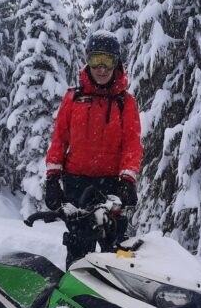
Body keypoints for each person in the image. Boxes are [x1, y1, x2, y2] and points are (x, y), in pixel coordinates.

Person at [45, 30, 142, 267]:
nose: (101, 68)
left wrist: (127, 179)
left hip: (111, 185)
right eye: (96, 59)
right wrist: (52, 178)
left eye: (107, 60)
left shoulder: (124, 102)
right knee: (79, 250)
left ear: (116, 62)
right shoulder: (73, 98)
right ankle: (74, 300)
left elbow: (132, 144)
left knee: (115, 250)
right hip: (76, 184)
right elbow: (59, 140)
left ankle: (114, 300)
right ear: (87, 60)